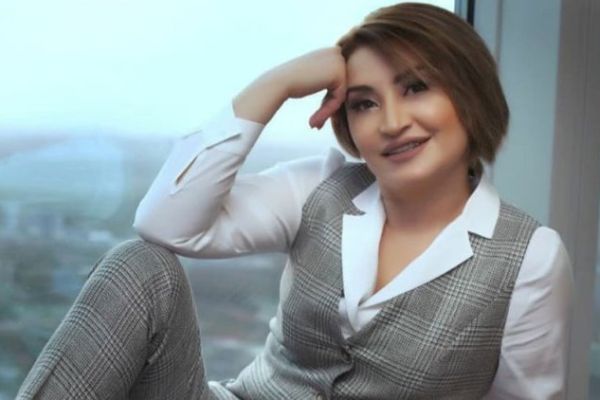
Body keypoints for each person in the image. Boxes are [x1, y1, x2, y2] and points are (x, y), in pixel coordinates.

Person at [17, 3, 573, 399]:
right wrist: (279, 84)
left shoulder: (529, 257)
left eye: (416, 88)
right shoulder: (320, 186)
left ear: (470, 94)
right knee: (140, 265)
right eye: (363, 103)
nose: (392, 122)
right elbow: (167, 224)